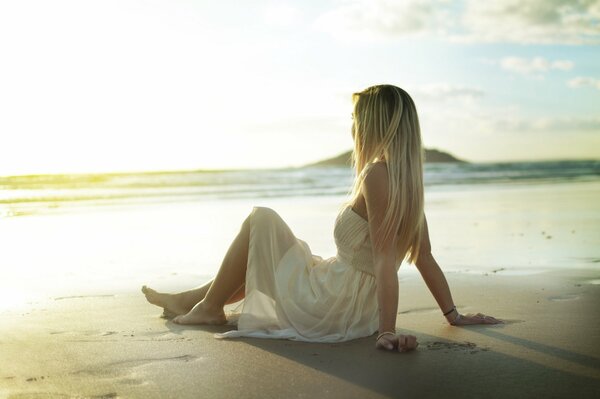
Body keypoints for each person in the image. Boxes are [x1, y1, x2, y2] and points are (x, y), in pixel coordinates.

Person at [142, 84, 502, 353]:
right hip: (354, 305)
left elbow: (383, 261)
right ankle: (190, 300)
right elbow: (424, 258)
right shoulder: (408, 185)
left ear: (373, 124)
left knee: (261, 220)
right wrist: (453, 315)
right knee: (284, 255)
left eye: (355, 119)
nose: (352, 127)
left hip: (335, 304)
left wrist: (386, 331)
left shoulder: (377, 175)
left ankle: (207, 307)